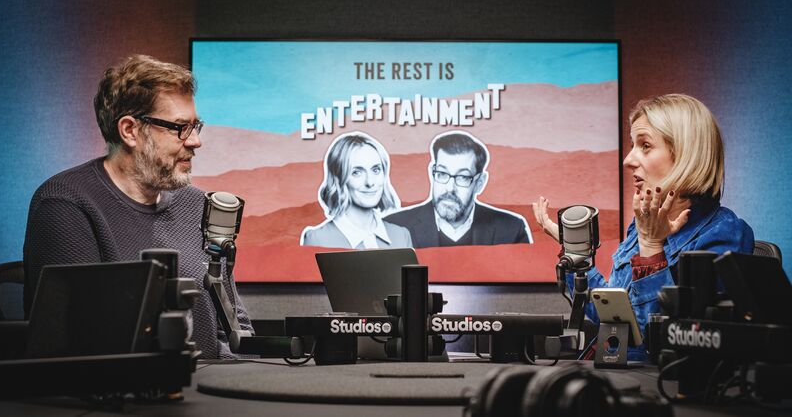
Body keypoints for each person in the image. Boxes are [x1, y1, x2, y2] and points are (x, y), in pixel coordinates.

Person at [22, 54, 254, 359]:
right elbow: (75, 340)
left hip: (211, 391)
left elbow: (234, 327)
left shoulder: (198, 205)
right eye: (180, 127)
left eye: (196, 126)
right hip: (126, 396)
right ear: (130, 130)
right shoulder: (66, 204)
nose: (195, 141)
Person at [532, 93, 754, 361]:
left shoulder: (724, 233)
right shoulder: (641, 228)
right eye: (632, 146)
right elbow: (612, 317)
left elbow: (668, 348)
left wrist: (651, 248)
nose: (628, 160)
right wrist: (576, 255)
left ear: (686, 154)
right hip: (612, 374)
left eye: (645, 146)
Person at [384, 130, 532, 248]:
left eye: (462, 177)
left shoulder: (511, 231)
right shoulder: (394, 227)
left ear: (480, 183)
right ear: (432, 173)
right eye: (442, 174)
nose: (450, 188)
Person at [301, 131, 412, 249]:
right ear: (339, 178)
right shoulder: (317, 239)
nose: (370, 182)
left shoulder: (401, 235)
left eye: (376, 170)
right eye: (357, 172)